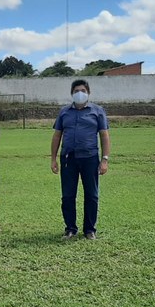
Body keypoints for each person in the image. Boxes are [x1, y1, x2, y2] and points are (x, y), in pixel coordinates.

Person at [51, 79, 111, 239]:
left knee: (92, 194)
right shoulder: (64, 112)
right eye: (77, 90)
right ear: (72, 93)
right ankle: (70, 228)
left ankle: (90, 230)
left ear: (88, 93)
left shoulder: (97, 111)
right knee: (68, 195)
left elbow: (104, 135)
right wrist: (53, 158)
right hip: (68, 158)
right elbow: (57, 136)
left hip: (90, 158)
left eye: (83, 90)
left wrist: (104, 159)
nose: (80, 93)